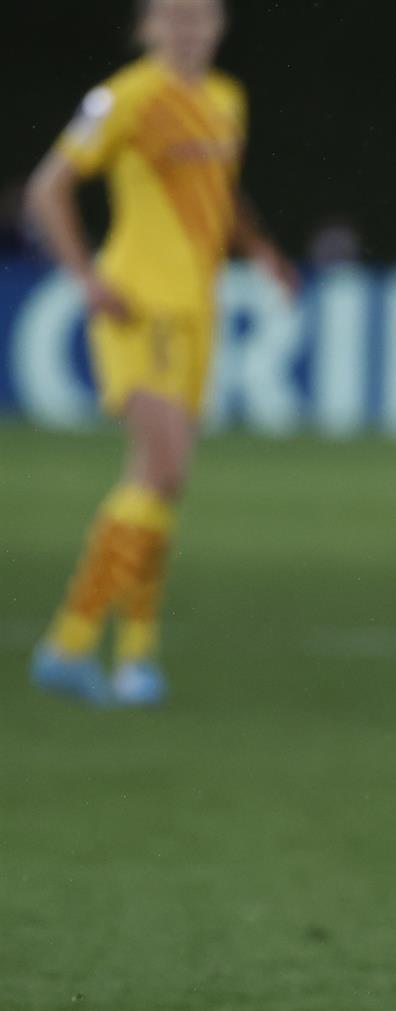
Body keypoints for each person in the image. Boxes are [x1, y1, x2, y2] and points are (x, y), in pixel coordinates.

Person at [26, 0, 295, 707]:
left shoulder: (223, 98)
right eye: (172, 16)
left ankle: (132, 659)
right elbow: (46, 188)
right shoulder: (123, 97)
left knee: (158, 481)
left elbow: (221, 191)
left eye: (199, 16)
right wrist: (84, 278)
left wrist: (259, 248)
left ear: (218, 25)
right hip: (136, 307)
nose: (187, 27)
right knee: (163, 467)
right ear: (147, 27)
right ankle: (72, 639)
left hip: (197, 310)